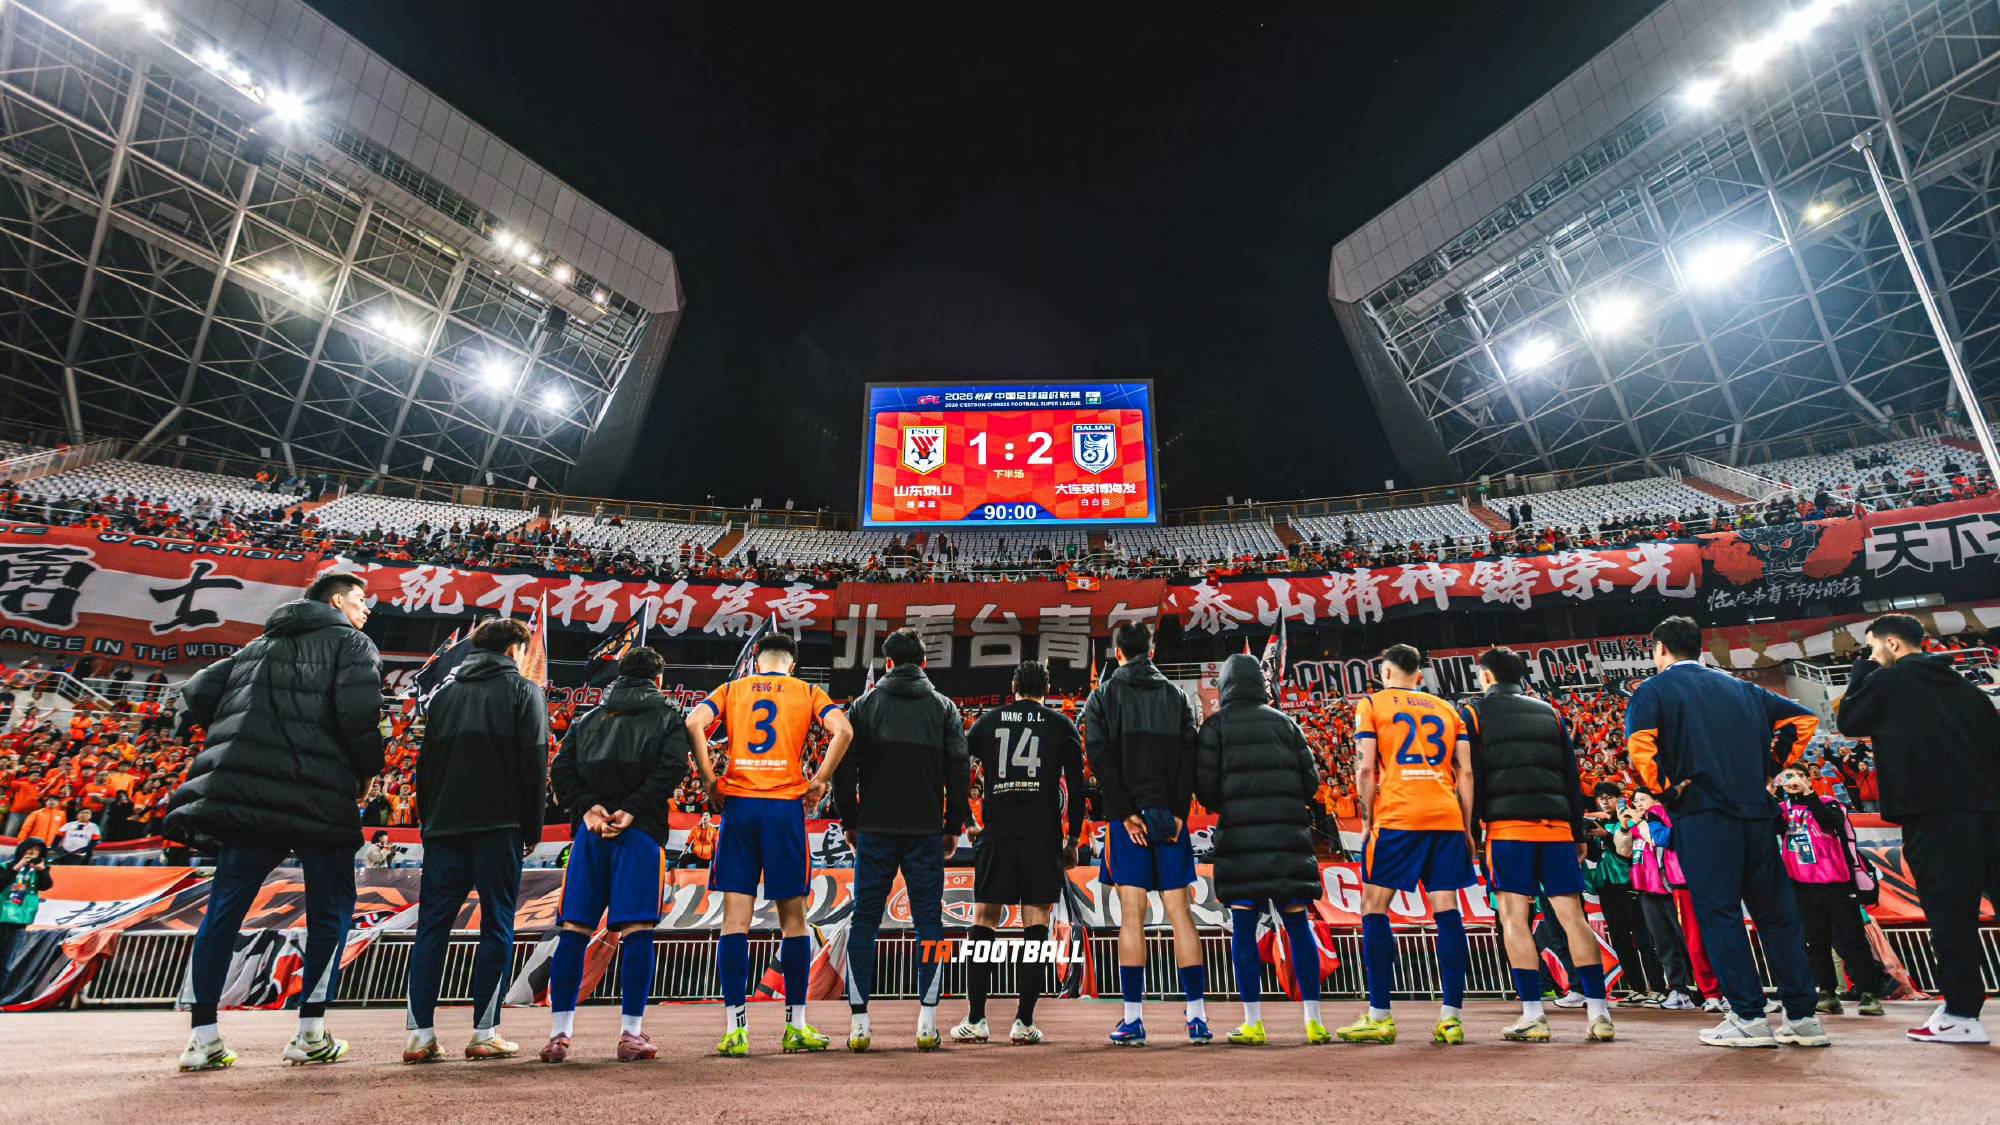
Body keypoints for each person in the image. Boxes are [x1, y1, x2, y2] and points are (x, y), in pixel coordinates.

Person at [165, 571, 384, 1073]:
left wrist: (244, 731)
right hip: (319, 797)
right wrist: (369, 771)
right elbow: (359, 716)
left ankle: (202, 1037)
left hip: (250, 799)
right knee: (331, 909)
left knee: (225, 908)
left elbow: (197, 691)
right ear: (336, 601)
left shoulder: (256, 647)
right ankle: (310, 1033)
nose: (366, 609)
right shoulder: (352, 643)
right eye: (361, 600)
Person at [1624, 616, 1826, 1049]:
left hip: (1704, 815)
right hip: (1757, 813)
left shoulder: (1653, 690)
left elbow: (1640, 748)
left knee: (1720, 915)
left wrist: (1665, 790)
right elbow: (1804, 720)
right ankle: (1803, 1016)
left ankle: (1749, 1016)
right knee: (1777, 915)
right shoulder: (1743, 688)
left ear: (1661, 649)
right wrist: (1769, 768)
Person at [1836, 613, 2000, 1045]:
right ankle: (1958, 1010)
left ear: (1892, 644)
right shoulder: (1967, 689)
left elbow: (1850, 720)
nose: (1871, 654)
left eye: (1872, 646)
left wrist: (1862, 669)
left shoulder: (1889, 681)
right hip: (1988, 811)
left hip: (1933, 814)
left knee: (1951, 916)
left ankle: (1962, 1013)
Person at [688, 630, 852, 1057]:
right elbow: (844, 730)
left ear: (756, 660)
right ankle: (795, 1025)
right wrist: (821, 779)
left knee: (734, 921)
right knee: (794, 922)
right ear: (792, 665)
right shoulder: (808, 692)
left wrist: (709, 778)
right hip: (783, 809)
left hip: (739, 807)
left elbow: (693, 722)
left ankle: (735, 1030)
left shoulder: (732, 689)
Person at [403, 617, 551, 1063]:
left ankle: (419, 1035)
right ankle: (484, 1032)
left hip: (444, 827)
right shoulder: (524, 691)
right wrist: (532, 827)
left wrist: (429, 822)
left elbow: (425, 766)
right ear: (513, 650)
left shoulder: (444, 695)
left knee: (431, 928)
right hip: (498, 826)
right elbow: (534, 761)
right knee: (497, 924)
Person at [1459, 647, 1614, 1043]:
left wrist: (1471, 830)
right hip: (1557, 828)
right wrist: (1577, 832)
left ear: (1487, 676)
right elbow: (1570, 774)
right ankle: (1599, 1013)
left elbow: (1470, 774)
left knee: (1514, 919)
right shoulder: (1549, 712)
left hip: (1509, 829)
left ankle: (1533, 1014)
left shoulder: (1473, 713)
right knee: (1573, 917)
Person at [543, 646, 689, 1063]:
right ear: (658, 679)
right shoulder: (667, 717)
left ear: (619, 675)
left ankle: (559, 1035)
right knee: (638, 930)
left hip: (590, 835)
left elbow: (561, 769)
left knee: (573, 929)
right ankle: (631, 1033)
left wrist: (587, 807)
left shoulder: (589, 717)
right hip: (639, 833)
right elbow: (672, 769)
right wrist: (632, 809)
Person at [836, 627, 969, 1051]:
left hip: (875, 831)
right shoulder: (944, 707)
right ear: (924, 662)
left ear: (888, 663)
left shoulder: (864, 706)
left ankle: (859, 1024)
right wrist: (953, 824)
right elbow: (960, 769)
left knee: (864, 922)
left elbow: (844, 769)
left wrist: (850, 819)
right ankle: (927, 1023)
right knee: (930, 923)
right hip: (925, 832)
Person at [1338, 644, 1475, 1046]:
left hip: (1399, 816)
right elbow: (1466, 772)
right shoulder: (1448, 709)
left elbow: (1366, 767)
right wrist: (1467, 827)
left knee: (1374, 907)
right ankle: (1451, 1018)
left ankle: (1380, 1015)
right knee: (1447, 909)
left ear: (1385, 673)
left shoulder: (1372, 704)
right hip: (1446, 815)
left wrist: (1367, 820)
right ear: (1419, 676)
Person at [1192, 652, 1329, 1047]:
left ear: (1226, 686)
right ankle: (1314, 1020)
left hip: (1241, 842)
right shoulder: (1287, 724)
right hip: (1288, 840)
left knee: (1244, 928)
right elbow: (1311, 783)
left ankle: (1253, 1022)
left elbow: (1207, 792)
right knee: (1298, 926)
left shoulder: (1216, 727)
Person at [951, 659, 1085, 1046]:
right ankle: (1024, 1021)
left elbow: (957, 767)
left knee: (984, 919)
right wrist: (1073, 839)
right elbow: (1077, 788)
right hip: (1042, 834)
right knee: (1036, 924)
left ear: (1013, 686)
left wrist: (967, 820)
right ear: (1047, 689)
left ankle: (976, 1019)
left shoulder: (989, 721)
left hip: (998, 831)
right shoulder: (1061, 725)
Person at [1084, 621, 1205, 1047]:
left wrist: (1124, 813)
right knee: (1180, 914)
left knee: (1131, 915)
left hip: (1127, 822)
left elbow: (1099, 756)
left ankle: (1133, 1020)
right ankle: (1197, 1018)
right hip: (1169, 819)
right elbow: (1189, 756)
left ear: (1118, 653)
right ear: (1151, 651)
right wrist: (1178, 812)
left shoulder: (1103, 696)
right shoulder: (1176, 696)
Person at [1773, 768, 1889, 1017]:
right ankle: (1827, 992)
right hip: (1803, 885)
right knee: (1816, 943)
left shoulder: (1829, 803)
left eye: (1797, 776)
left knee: (1852, 939)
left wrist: (1808, 794)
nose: (1791, 781)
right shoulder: (1783, 810)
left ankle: (1869, 993)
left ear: (1808, 779)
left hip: (1837, 883)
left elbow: (1831, 823)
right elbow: (1771, 825)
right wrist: (1771, 792)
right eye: (1786, 777)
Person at [1583, 783, 1663, 1002]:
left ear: (1619, 798)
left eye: (1609, 797)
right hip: (1606, 887)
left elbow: (1627, 852)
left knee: (1643, 938)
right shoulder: (1597, 824)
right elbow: (1594, 856)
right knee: (1620, 940)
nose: (1604, 801)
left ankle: (1658, 987)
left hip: (1629, 884)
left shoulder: (1628, 820)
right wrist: (1589, 840)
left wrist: (1606, 836)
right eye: (1600, 797)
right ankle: (1637, 988)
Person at [0, 837, 53, 970]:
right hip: (1, 917)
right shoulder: (6, 866)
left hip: (19, 921)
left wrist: (42, 870)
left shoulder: (38, 871)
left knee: (6, 964)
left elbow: (46, 886)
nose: (32, 853)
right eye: (30, 849)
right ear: (22, 850)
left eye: (37, 850)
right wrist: (16, 868)